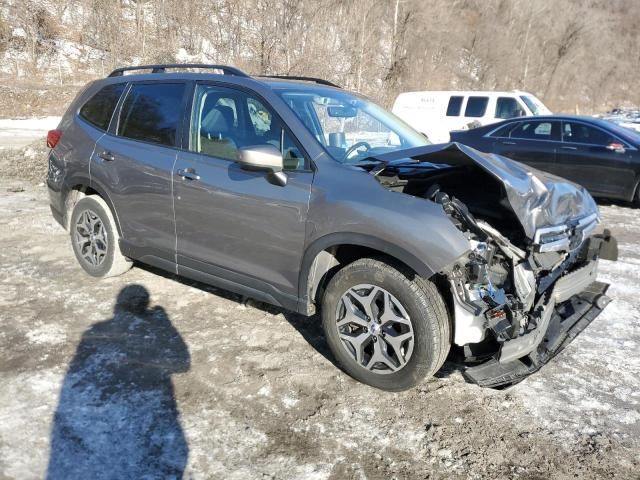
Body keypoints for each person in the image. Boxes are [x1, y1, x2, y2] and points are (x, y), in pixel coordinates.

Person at [47, 285, 190, 479]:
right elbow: (181, 362)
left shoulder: (97, 330)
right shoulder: (108, 331)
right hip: (135, 414)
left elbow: (181, 362)